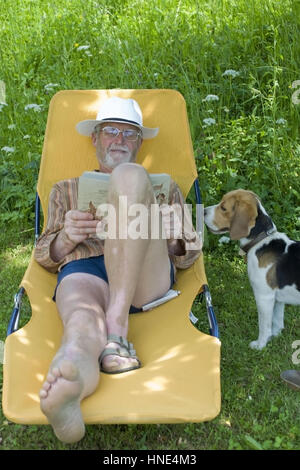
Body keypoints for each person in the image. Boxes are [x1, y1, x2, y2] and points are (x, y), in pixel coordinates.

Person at [34, 96, 202, 443]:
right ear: (94, 138)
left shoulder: (166, 187)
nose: (119, 140)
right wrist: (66, 238)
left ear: (140, 143)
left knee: (129, 176)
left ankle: (116, 323)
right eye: (111, 132)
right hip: (87, 267)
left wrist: (174, 239)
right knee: (80, 323)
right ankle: (74, 375)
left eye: (129, 134)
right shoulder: (66, 189)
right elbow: (43, 255)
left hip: (143, 271)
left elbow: (188, 258)